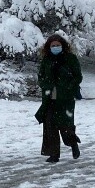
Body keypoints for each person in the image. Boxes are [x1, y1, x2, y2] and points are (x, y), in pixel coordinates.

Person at [35, 34, 83, 163]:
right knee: (50, 125)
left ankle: (73, 143)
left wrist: (69, 87)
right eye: (53, 45)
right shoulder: (46, 60)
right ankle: (53, 154)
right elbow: (41, 77)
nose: (55, 47)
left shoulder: (70, 58)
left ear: (63, 46)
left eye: (58, 45)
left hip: (65, 98)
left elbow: (78, 76)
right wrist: (46, 85)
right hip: (50, 97)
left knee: (65, 124)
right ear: (48, 47)